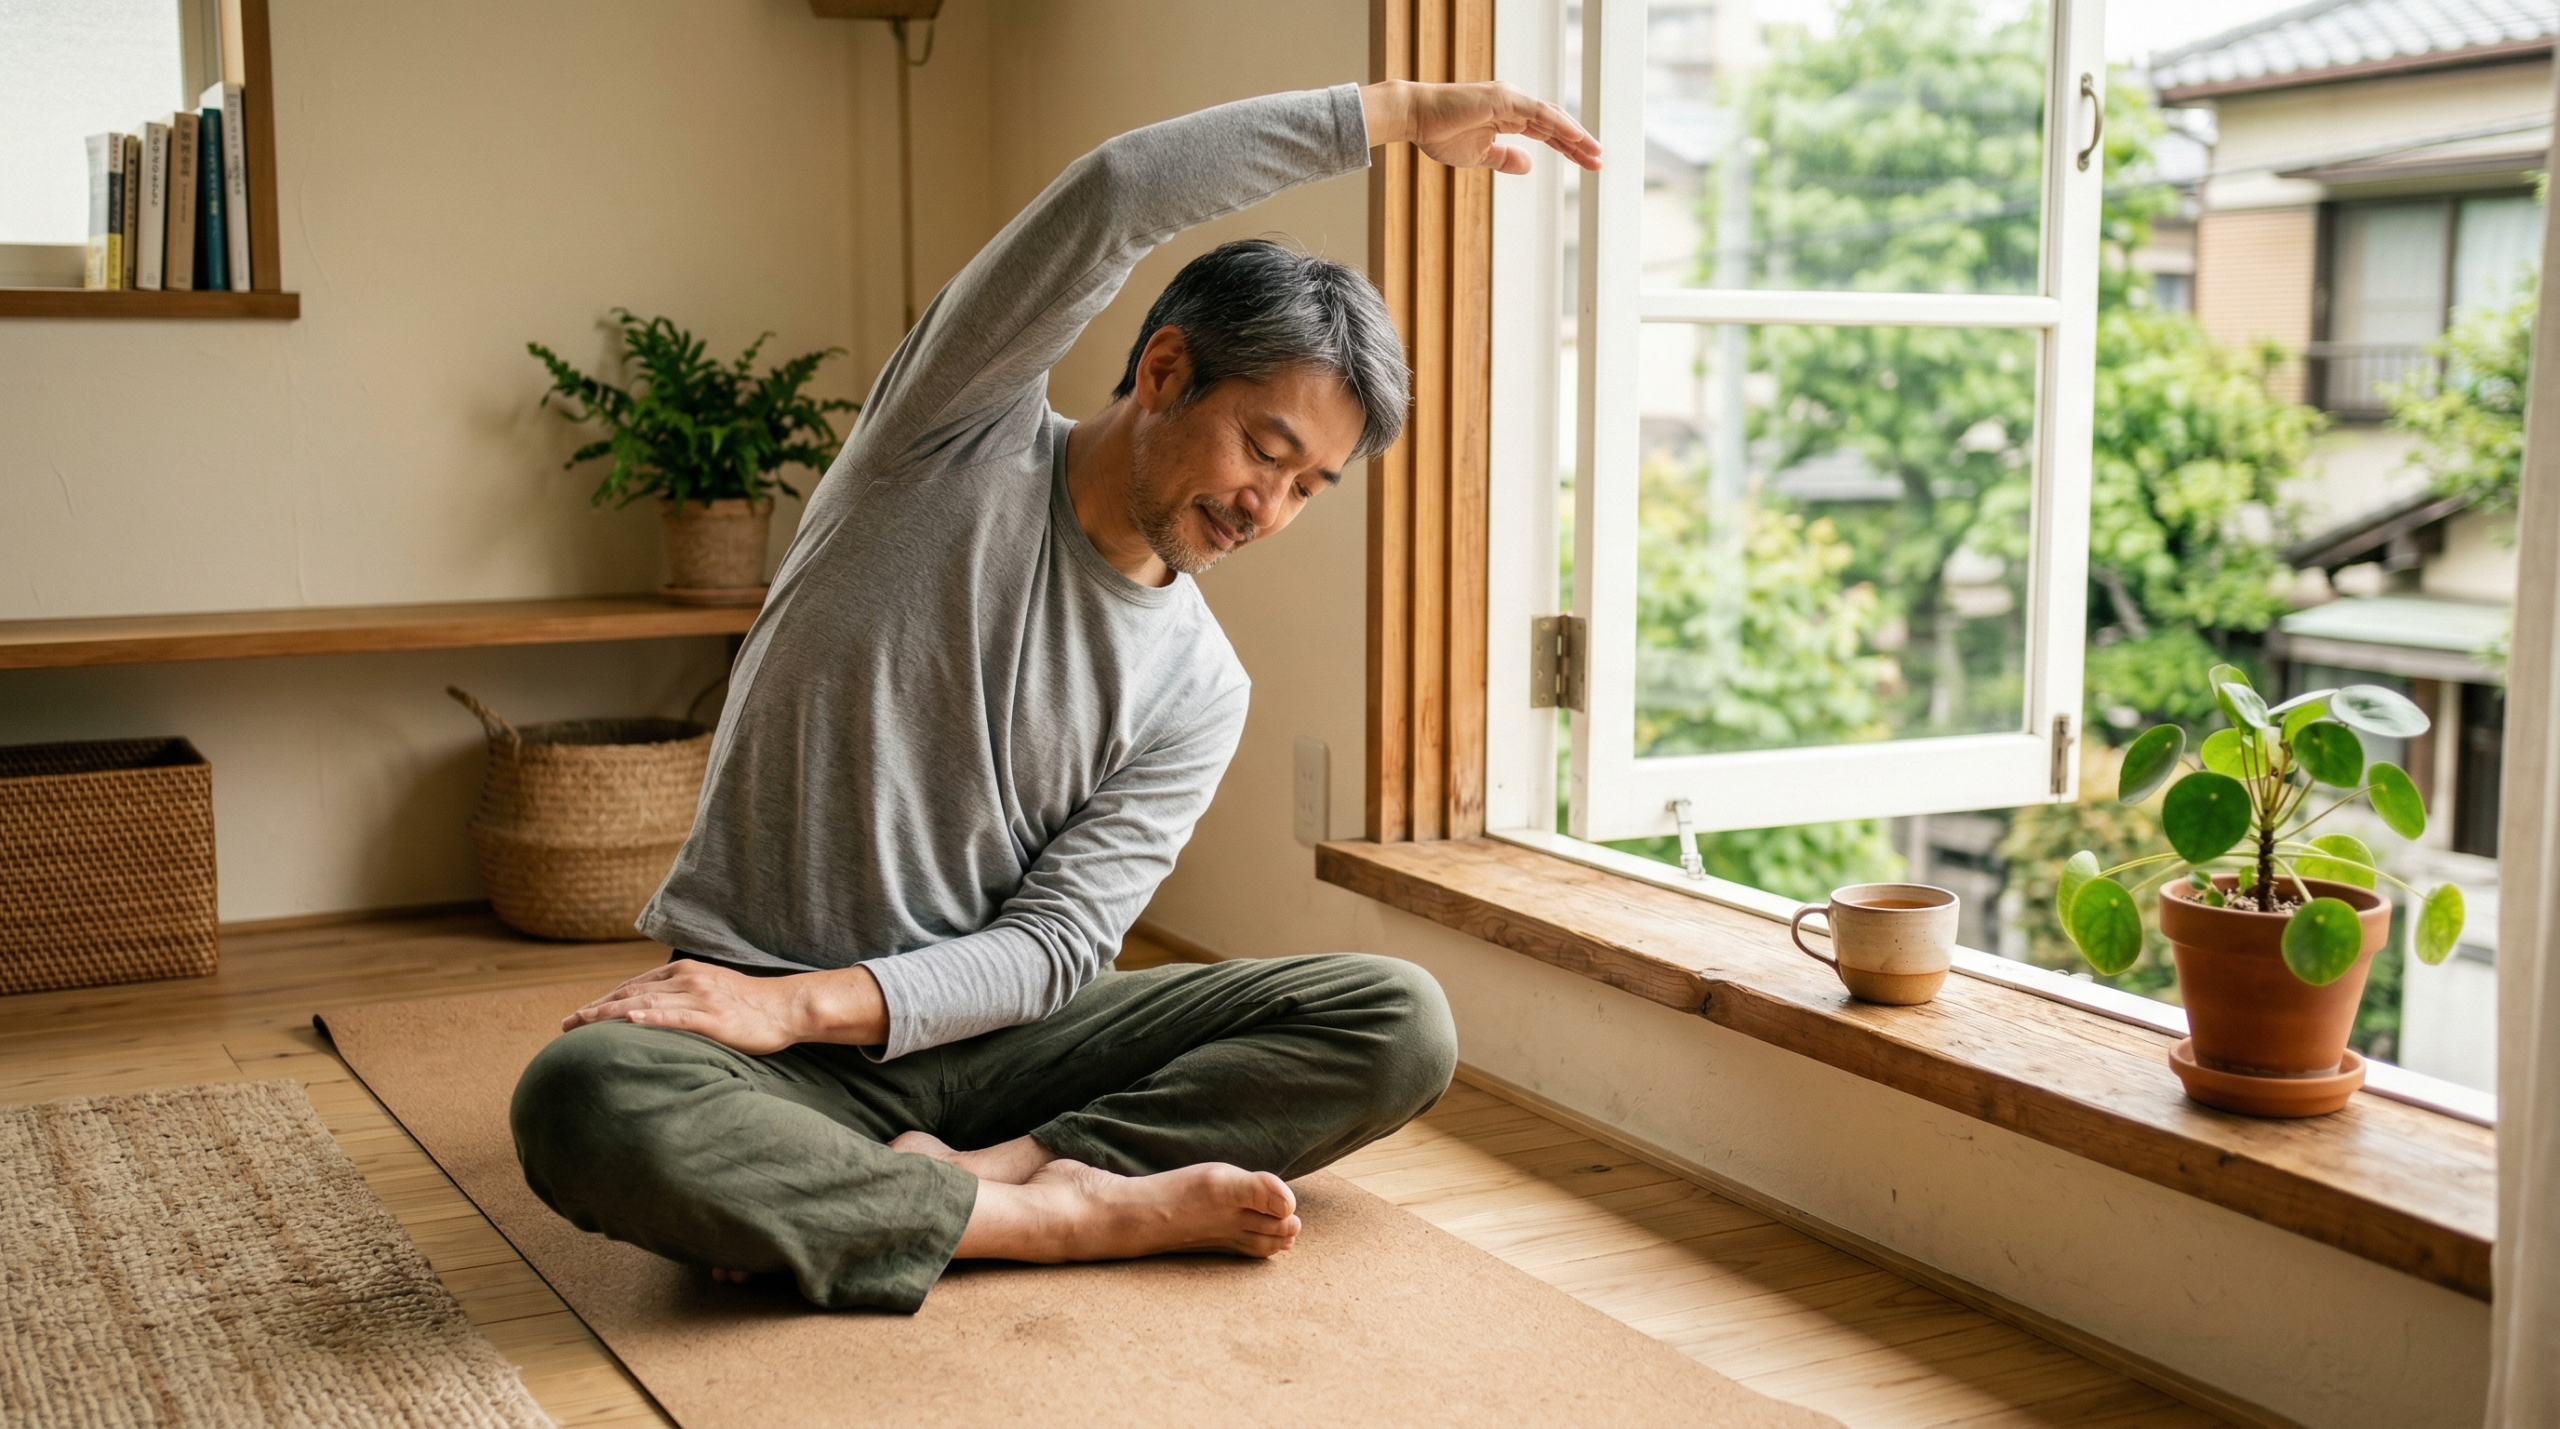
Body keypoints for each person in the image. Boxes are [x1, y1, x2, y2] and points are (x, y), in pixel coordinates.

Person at [508, 77, 1602, 1312]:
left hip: (1002, 1053)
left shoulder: (1200, 685)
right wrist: (1396, 117)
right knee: (584, 1098)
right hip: (775, 1053)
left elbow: (1057, 948)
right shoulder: (948, 435)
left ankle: (1002, 1181)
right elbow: (1119, 197)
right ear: (1166, 368)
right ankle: (1052, 1213)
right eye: (1265, 449)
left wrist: (815, 1006)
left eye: (1310, 489)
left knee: (1398, 1016)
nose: (1268, 508)